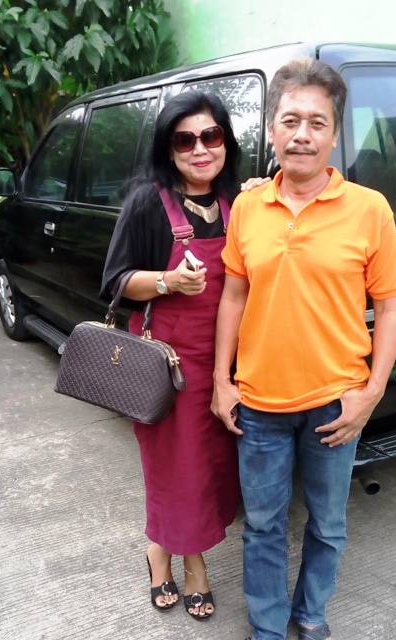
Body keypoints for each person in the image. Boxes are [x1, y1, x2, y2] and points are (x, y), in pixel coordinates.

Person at [211, 59, 396, 640]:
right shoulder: (248, 207)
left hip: (335, 404)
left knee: (328, 523)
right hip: (259, 405)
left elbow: (390, 305)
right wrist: (222, 381)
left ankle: (311, 613)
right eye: (290, 120)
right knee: (262, 526)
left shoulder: (370, 210)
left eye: (317, 123)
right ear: (271, 129)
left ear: (335, 134)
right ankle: (269, 627)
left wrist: (371, 393)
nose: (302, 134)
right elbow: (233, 296)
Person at [101, 90, 248, 622]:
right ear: (169, 149)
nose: (200, 149)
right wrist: (167, 281)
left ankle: (158, 548)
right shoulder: (147, 202)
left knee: (213, 471)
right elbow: (115, 282)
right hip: (169, 367)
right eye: (185, 140)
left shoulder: (241, 203)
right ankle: (194, 566)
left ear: (226, 142)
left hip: (229, 366)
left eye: (211, 136)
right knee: (177, 471)